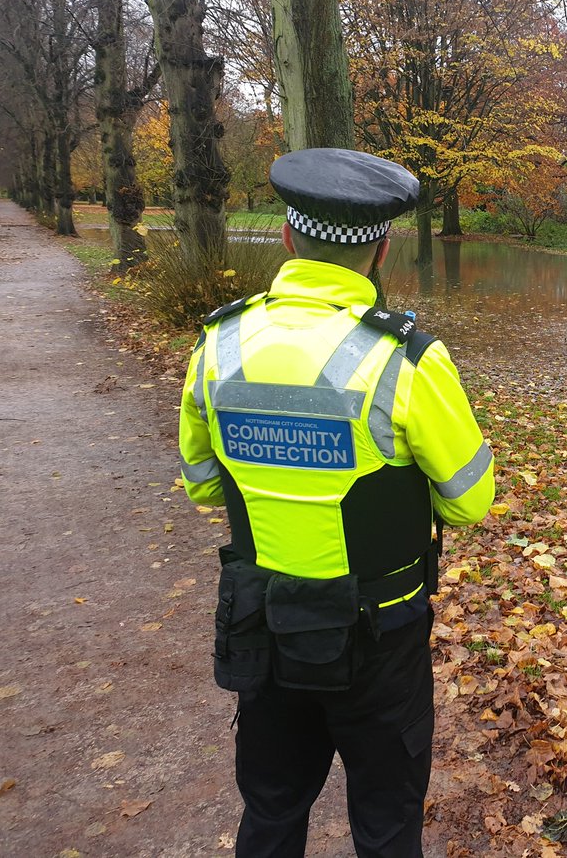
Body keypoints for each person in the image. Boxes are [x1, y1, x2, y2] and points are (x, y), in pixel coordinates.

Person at [178, 147, 495, 858]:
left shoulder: (218, 343)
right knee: (385, 827)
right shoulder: (407, 359)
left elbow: (201, 479)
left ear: (290, 240)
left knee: (271, 812)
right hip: (378, 637)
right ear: (381, 251)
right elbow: (471, 500)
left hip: (262, 622)